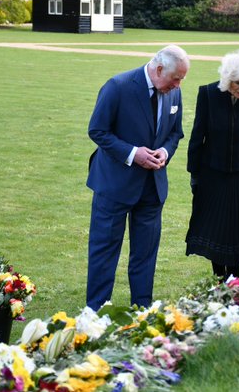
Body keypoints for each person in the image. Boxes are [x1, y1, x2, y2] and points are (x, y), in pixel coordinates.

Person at [86, 45, 189, 310]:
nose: (178, 85)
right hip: (114, 186)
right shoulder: (117, 86)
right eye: (175, 78)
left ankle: (142, 311)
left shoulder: (174, 93)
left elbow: (175, 134)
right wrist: (133, 154)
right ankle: (96, 313)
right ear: (158, 70)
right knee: (104, 253)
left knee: (145, 255)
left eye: (181, 80)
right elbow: (97, 130)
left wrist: (165, 152)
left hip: (152, 189)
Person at [185, 49, 239, 280]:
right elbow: (197, 136)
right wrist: (194, 173)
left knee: (238, 231)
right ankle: (218, 279)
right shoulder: (207, 94)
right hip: (213, 174)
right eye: (237, 82)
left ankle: (233, 281)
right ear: (227, 79)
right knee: (217, 230)